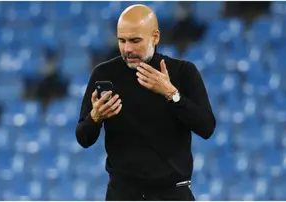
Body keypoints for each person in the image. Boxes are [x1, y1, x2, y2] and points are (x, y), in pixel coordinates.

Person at [75, 4, 216, 201]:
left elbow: (207, 127)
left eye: (135, 41)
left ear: (155, 37)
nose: (127, 49)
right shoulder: (104, 74)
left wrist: (171, 93)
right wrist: (95, 117)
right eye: (122, 41)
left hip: (172, 193)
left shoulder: (183, 72)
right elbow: (83, 138)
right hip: (122, 194)